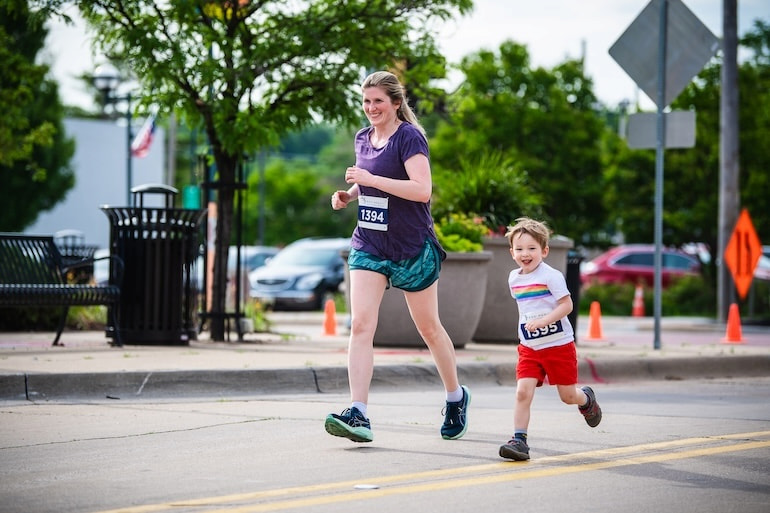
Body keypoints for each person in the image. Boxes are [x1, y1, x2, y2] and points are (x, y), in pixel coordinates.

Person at [324, 70, 470, 443]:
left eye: (378, 101)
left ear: (395, 103)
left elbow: (421, 190)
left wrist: (370, 181)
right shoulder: (362, 137)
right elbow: (369, 179)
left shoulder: (409, 136)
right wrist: (350, 195)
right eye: (366, 101)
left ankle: (456, 396)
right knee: (360, 325)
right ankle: (359, 412)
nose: (371, 108)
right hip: (370, 243)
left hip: (410, 246)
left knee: (428, 329)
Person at [498, 217, 601, 461]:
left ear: (544, 251)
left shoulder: (551, 276)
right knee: (523, 392)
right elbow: (526, 309)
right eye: (520, 249)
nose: (526, 254)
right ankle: (519, 441)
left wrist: (544, 321)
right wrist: (527, 330)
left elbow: (567, 305)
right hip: (530, 347)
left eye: (532, 248)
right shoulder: (514, 278)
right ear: (512, 252)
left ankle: (586, 399)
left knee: (567, 397)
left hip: (558, 346)